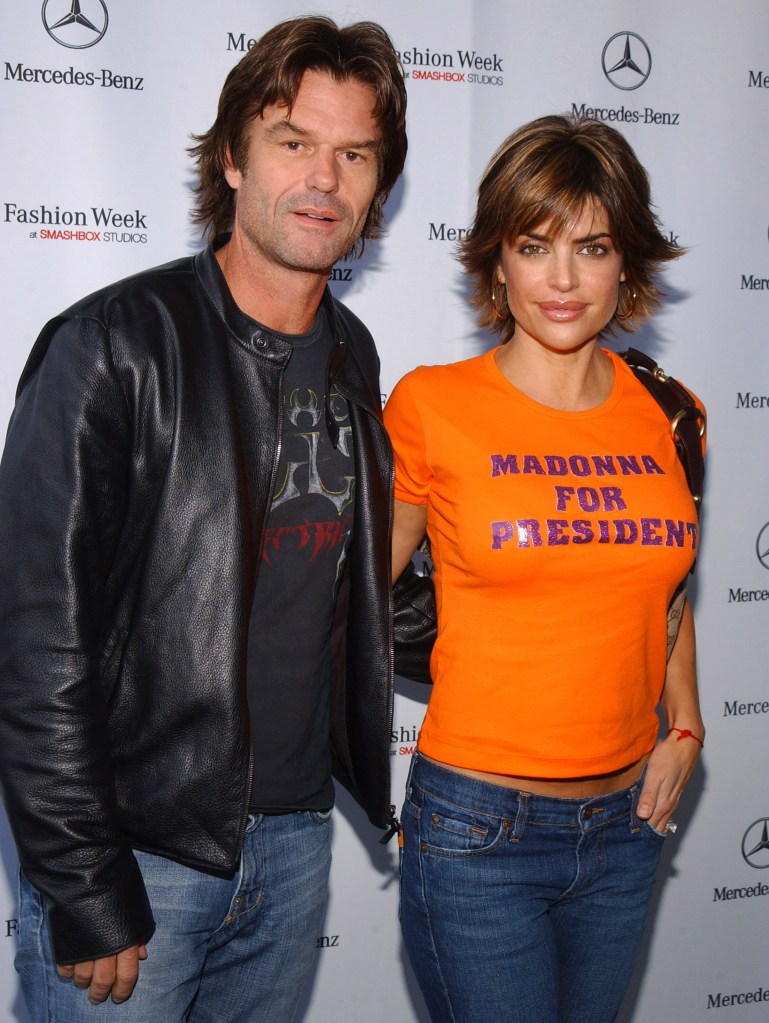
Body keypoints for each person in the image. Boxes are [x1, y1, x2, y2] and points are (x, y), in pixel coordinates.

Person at [0, 15, 408, 1022]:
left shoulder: (354, 352)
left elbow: (347, 595)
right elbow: (35, 640)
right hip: (139, 855)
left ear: (378, 183)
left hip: (296, 842)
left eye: (355, 154)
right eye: (293, 141)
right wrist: (84, 880)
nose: (324, 179)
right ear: (231, 158)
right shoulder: (112, 345)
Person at [384, 114, 706, 1023]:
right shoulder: (432, 405)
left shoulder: (671, 414)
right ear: (497, 263)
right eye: (533, 246)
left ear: (625, 264)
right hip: (478, 829)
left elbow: (666, 589)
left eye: (591, 247)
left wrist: (685, 723)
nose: (562, 280)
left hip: (626, 828)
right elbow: (348, 598)